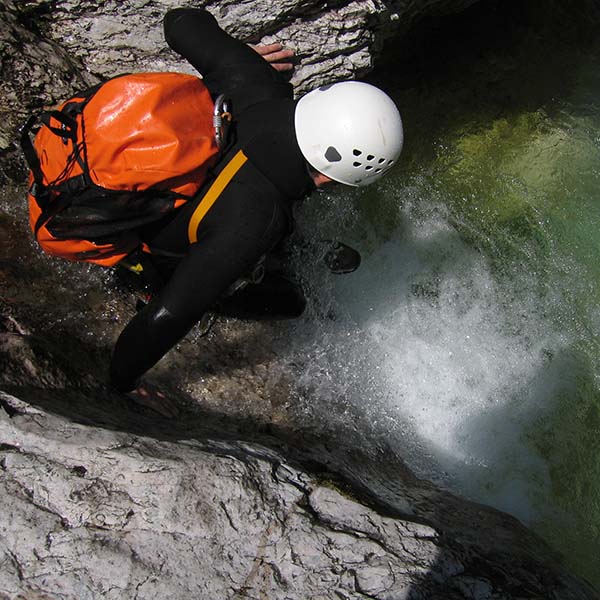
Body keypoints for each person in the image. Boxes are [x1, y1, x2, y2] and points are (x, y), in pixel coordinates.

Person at [109, 7, 404, 412]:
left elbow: (179, 21)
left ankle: (287, 252)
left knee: (291, 239)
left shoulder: (256, 80)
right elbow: (172, 314)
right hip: (146, 242)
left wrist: (238, 57)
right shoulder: (255, 224)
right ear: (339, 176)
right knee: (292, 302)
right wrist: (122, 382)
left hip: (129, 176)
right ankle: (187, 283)